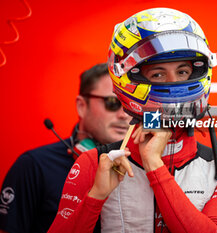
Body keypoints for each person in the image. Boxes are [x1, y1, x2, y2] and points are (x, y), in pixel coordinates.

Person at [48, 7, 217, 233]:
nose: (174, 83)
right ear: (128, 79)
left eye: (183, 72)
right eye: (158, 74)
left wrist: (154, 164)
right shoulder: (94, 164)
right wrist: (96, 197)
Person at [0, 63, 131, 233]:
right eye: (112, 102)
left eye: (129, 104)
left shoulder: (145, 166)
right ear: (82, 106)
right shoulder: (34, 165)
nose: (124, 114)